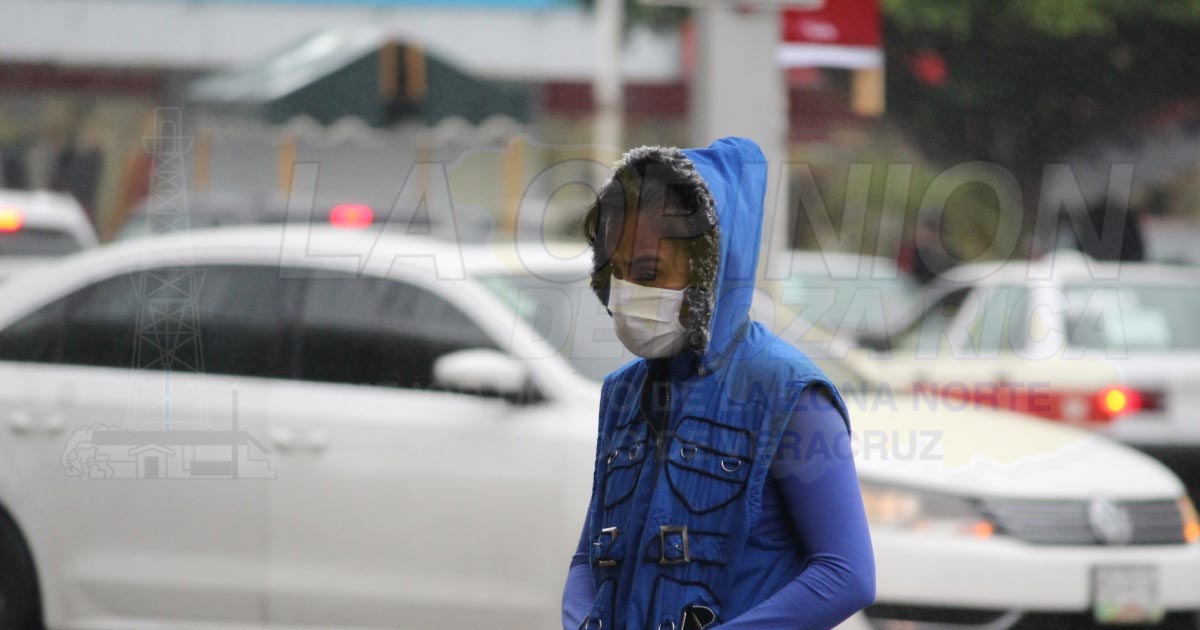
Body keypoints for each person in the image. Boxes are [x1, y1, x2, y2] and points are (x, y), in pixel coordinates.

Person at [562, 137, 875, 630]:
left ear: (710, 270)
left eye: (649, 273)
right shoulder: (624, 393)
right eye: (616, 274)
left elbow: (846, 574)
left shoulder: (789, 394)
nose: (627, 294)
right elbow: (587, 559)